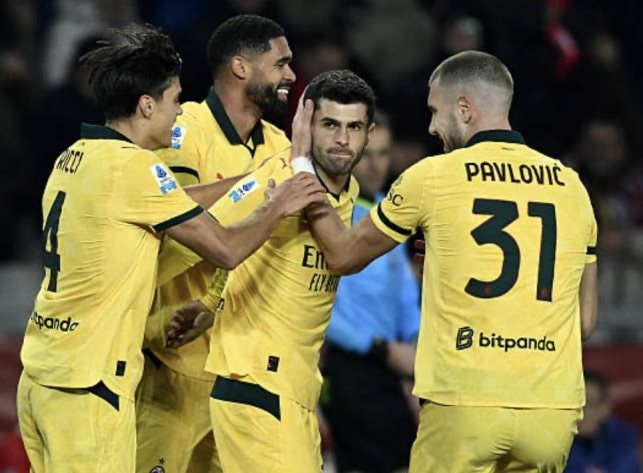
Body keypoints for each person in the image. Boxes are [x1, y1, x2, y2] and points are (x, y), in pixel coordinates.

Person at [16, 24, 324, 472]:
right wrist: (276, 203)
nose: (180, 112)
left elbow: (169, 206)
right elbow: (224, 248)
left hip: (42, 375)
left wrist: (257, 181)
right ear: (147, 105)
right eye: (174, 100)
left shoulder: (74, 157)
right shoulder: (136, 169)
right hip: (90, 384)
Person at [300, 50, 599, 472]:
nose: (431, 127)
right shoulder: (572, 187)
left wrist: (301, 168)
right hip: (552, 411)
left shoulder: (434, 177)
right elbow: (584, 322)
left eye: (435, 111)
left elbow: (343, 254)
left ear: (464, 108)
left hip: (465, 402)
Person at [169, 69, 376, 472]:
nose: (342, 139)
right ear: (305, 125)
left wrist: (211, 303)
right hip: (256, 385)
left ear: (369, 133)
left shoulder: (348, 189)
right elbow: (202, 225)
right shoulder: (279, 177)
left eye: (353, 127)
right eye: (329, 125)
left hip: (294, 390)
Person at [136, 15, 296, 473]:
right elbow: (174, 215)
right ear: (241, 67)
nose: (290, 75)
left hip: (247, 374)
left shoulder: (280, 144)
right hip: (176, 366)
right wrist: (260, 186)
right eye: (280, 63)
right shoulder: (182, 128)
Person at [320, 111, 421, 473]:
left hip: (392, 367)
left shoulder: (390, 215)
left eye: (384, 153)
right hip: (350, 365)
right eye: (368, 155)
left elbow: (406, 300)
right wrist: (379, 347)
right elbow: (318, 305)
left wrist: (414, 356)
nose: (376, 164)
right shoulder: (330, 217)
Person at [566, 370, 641, 473]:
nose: (580, 413)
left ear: (605, 407)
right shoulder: (555, 442)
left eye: (589, 404)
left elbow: (628, 467)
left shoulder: (622, 437)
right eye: (573, 405)